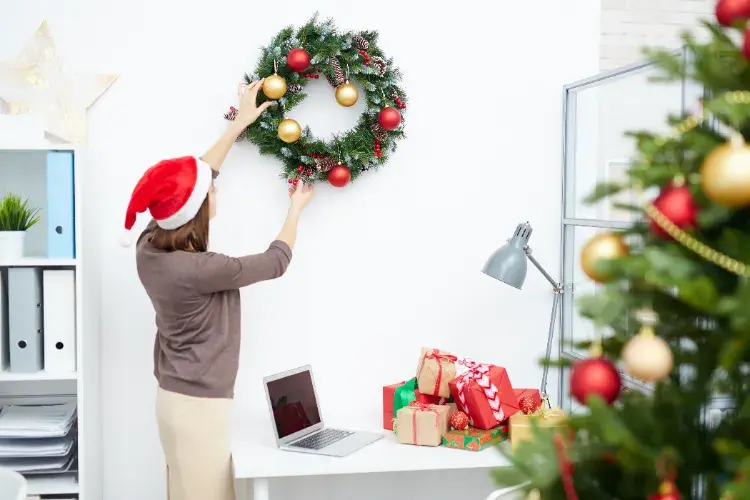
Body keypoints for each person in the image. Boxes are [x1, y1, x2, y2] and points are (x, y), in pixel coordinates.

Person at [120, 79, 316, 500]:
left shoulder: (148, 245)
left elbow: (192, 178)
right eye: (210, 190)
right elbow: (276, 261)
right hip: (198, 410)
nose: (214, 187)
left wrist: (239, 124)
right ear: (197, 210)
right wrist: (295, 209)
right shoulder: (202, 269)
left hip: (172, 400)